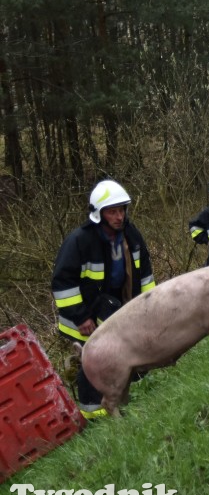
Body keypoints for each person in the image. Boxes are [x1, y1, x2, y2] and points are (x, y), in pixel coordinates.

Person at [51, 179, 156, 418]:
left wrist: (150, 305)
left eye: (122, 210)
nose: (119, 216)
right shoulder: (79, 241)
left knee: (124, 353)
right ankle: (92, 411)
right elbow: (62, 283)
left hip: (114, 308)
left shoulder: (131, 235)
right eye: (112, 212)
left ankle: (123, 396)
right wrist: (82, 317)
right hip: (82, 317)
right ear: (99, 213)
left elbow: (145, 273)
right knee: (93, 360)